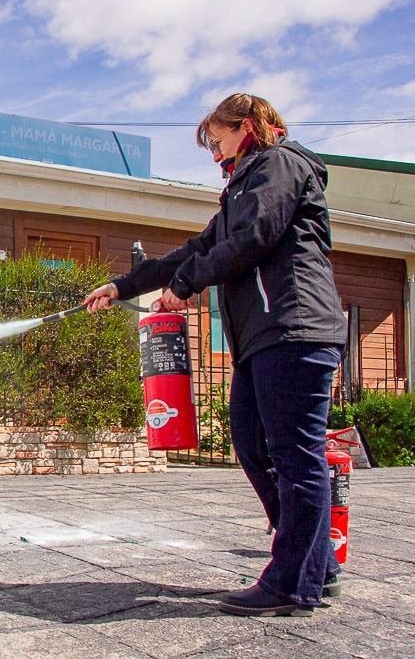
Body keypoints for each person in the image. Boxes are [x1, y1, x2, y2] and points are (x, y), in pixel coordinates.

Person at [84, 93, 347, 617]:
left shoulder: (281, 165)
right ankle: (316, 565)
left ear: (247, 126)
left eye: (218, 140)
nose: (214, 154)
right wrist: (122, 285)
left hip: (296, 330)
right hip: (263, 337)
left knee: (296, 459)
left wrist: (184, 287)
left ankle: (292, 582)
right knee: (252, 446)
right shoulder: (241, 190)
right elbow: (195, 252)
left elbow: (255, 238)